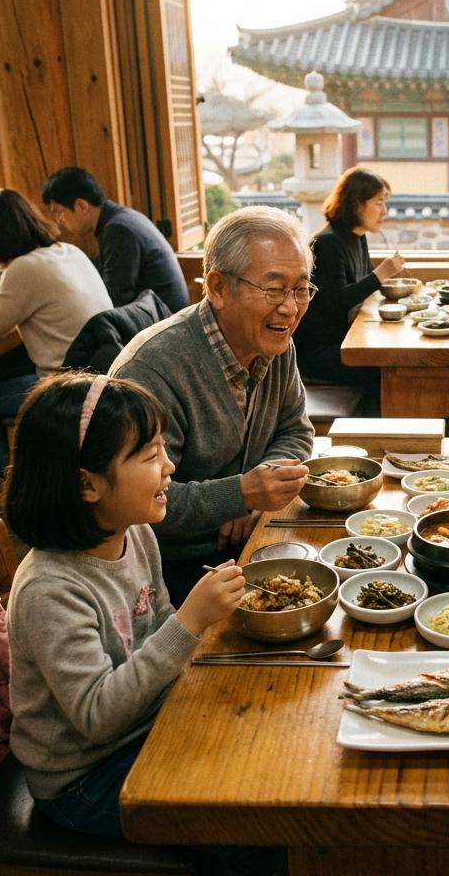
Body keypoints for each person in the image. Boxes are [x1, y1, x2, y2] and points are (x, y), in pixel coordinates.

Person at [3, 371, 278, 876]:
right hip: (82, 777)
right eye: (151, 455)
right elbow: (97, 716)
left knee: (266, 750)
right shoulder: (50, 589)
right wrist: (191, 621)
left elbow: (158, 631)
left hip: (142, 729)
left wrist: (201, 630)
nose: (169, 467)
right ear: (88, 485)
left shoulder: (135, 533)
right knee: (247, 819)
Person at [110, 205, 314, 601]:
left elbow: (295, 427)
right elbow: (136, 502)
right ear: (218, 288)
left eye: (301, 288)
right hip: (169, 576)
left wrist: (257, 488)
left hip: (253, 542)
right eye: (273, 289)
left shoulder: (274, 341)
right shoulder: (153, 370)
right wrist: (238, 494)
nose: (290, 307)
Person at [0, 188, 112, 486]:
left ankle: (9, 499)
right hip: (97, 369)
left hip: (64, 383)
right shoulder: (68, 251)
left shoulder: (24, 268)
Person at [293, 166, 404, 407]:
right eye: (379, 203)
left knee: (396, 363)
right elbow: (337, 302)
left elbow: (364, 280)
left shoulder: (357, 236)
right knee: (388, 373)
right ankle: (373, 433)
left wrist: (390, 281)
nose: (384, 211)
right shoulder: (327, 243)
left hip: (347, 338)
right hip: (321, 351)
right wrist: (381, 274)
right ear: (356, 203)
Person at [42, 166, 190, 314]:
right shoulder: (120, 219)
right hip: (162, 318)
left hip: (165, 327)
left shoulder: (119, 230)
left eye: (60, 213)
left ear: (82, 206)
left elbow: (115, 298)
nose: (59, 221)